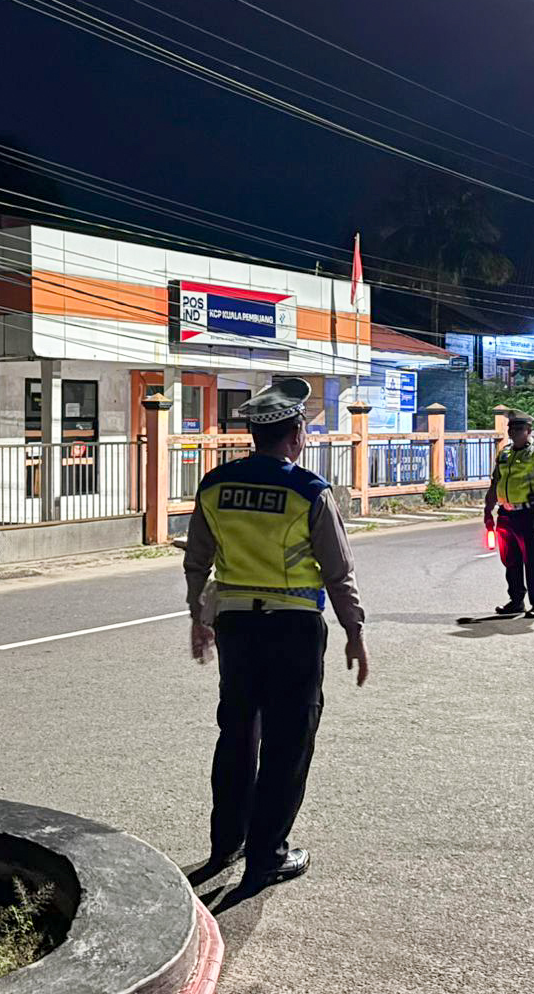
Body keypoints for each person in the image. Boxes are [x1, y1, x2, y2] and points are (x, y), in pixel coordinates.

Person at [183, 377, 369, 891]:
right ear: (297, 433)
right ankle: (268, 856)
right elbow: (337, 569)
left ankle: (227, 843)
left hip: (236, 628)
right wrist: (354, 630)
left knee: (238, 732)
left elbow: (197, 560)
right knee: (288, 743)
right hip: (293, 628)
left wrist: (199, 618)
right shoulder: (310, 490)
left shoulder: (215, 485)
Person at [484, 410, 534, 619]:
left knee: (532, 560)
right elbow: (495, 482)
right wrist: (488, 511)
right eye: (510, 429)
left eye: (518, 429)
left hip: (529, 514)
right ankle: (516, 601)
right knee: (510, 560)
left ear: (528, 430)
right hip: (506, 515)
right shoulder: (504, 453)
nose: (512, 433)